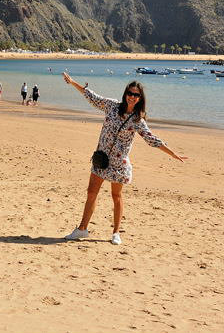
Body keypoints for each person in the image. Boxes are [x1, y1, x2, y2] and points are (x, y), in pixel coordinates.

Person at [61, 73, 188, 245]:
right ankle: (82, 229)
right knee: (91, 193)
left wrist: (172, 153)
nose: (132, 97)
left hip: (118, 163)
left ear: (140, 98)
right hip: (101, 159)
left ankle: (116, 232)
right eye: (130, 93)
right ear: (125, 94)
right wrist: (73, 83)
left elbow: (152, 139)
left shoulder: (137, 120)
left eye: (136, 95)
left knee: (116, 196)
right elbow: (92, 97)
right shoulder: (112, 106)